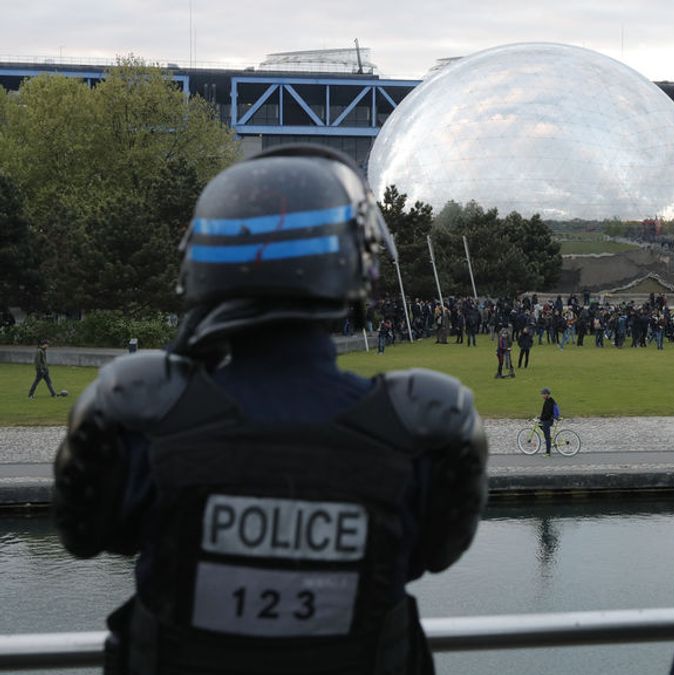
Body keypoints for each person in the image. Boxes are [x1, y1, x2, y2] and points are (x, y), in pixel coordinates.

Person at [51, 144, 489, 675]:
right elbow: (431, 556)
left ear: (202, 257)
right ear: (356, 261)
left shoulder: (137, 416)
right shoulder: (424, 428)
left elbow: (86, 537)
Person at [538, 387, 560, 456]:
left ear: (546, 394)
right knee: (539, 424)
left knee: (547, 437)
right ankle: (549, 441)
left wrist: (542, 418)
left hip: (548, 420)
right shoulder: (549, 400)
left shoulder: (549, 402)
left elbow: (547, 414)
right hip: (547, 419)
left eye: (543, 394)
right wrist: (540, 417)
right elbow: (545, 412)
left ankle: (548, 453)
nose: (542, 395)